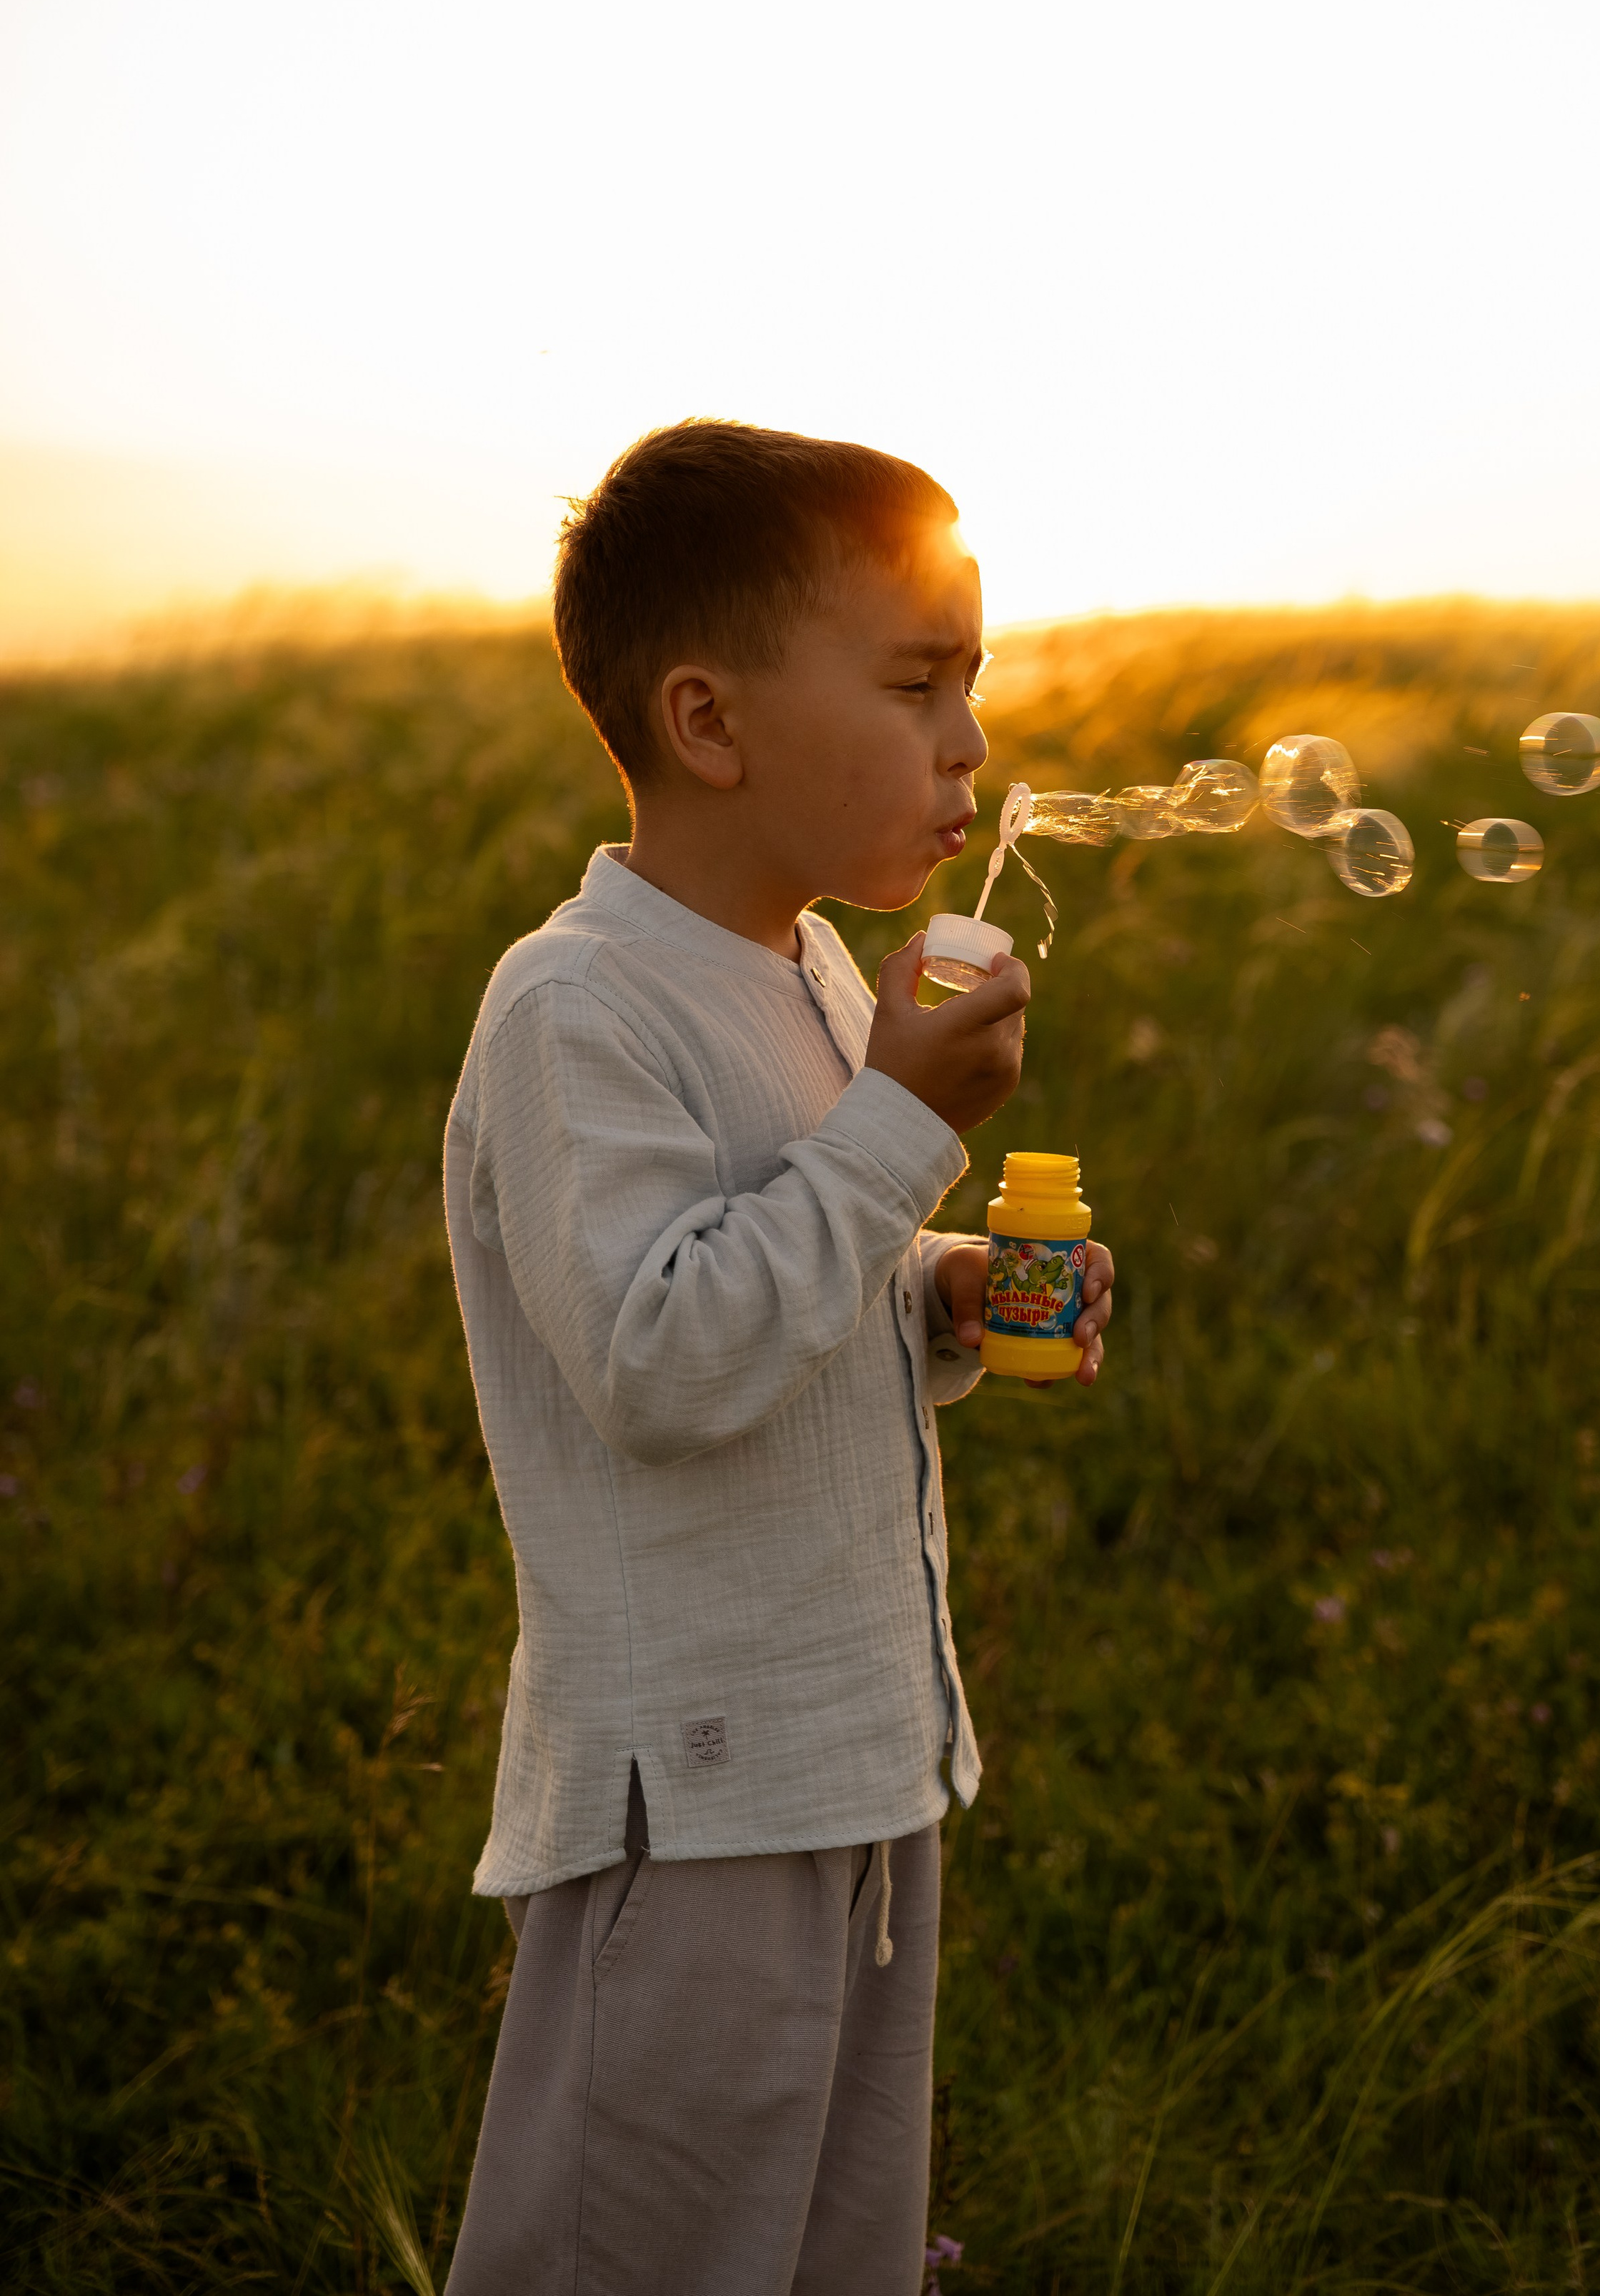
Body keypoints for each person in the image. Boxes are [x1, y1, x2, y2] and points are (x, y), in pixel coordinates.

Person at [442, 420, 1115, 2295]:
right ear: (711, 724)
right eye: (915, 686)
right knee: (648, 2249)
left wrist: (937, 1293)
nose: (969, 743)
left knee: (831, 2249)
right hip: (702, 1795)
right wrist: (902, 1130)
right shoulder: (579, 1007)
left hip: (861, 1766)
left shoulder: (816, 967)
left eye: (972, 685)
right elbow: (664, 1359)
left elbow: (788, 1277)